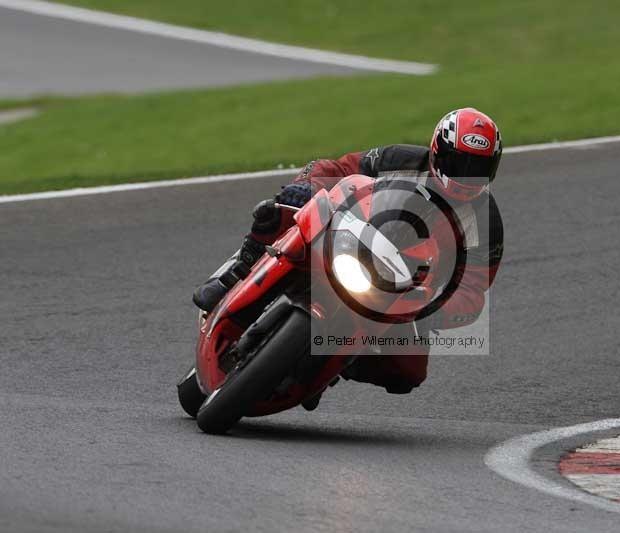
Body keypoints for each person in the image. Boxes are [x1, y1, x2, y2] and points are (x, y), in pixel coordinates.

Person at [193, 108, 504, 405]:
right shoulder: (401, 160)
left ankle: (339, 363)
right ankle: (236, 270)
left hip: (402, 291)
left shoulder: (486, 221)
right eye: (460, 164)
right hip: (349, 238)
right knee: (277, 213)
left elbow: (472, 291)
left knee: (409, 373)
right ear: (438, 151)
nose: (467, 177)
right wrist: (306, 186)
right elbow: (339, 168)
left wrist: (433, 308)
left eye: (478, 169)